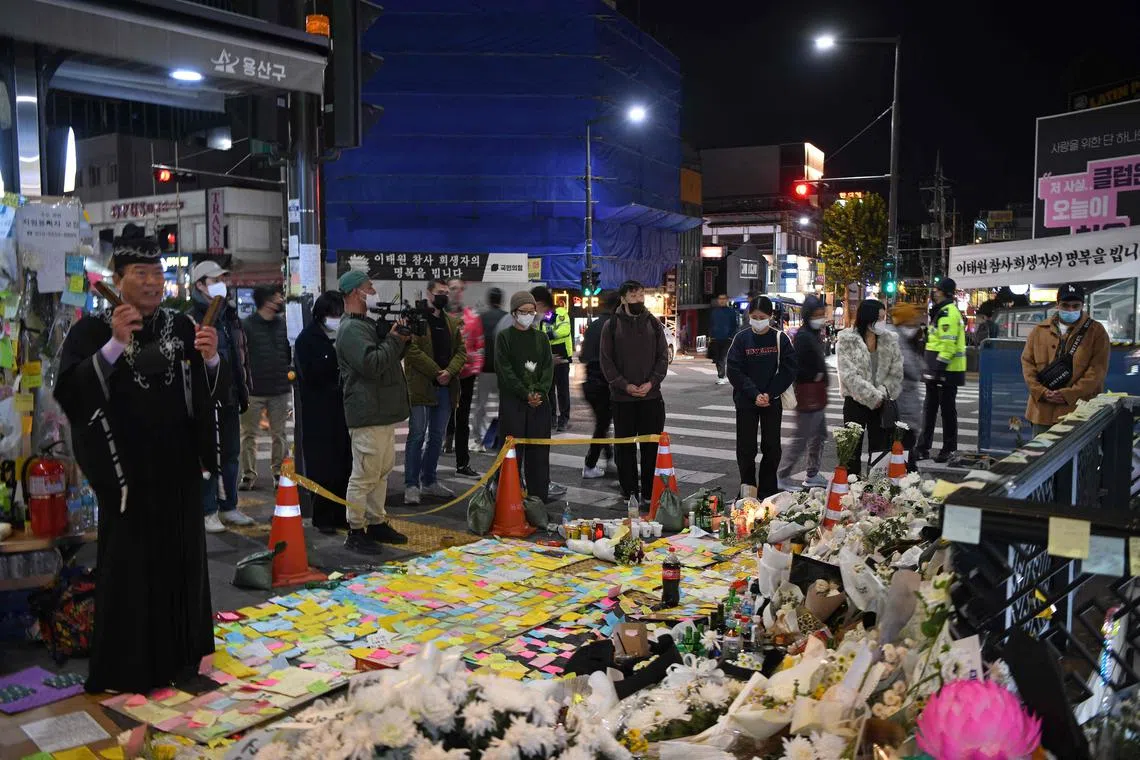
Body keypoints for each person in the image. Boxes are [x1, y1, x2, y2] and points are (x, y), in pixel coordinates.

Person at [55, 231, 226, 693]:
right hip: (126, 475)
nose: (152, 283)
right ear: (118, 279)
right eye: (141, 274)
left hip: (178, 471)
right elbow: (70, 394)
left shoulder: (184, 327)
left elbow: (212, 397)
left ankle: (182, 662)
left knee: (183, 566)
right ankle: (128, 671)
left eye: (158, 274)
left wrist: (210, 362)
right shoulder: (91, 331)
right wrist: (113, 345)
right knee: (130, 569)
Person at [335, 271, 410, 554]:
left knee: (381, 472)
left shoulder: (365, 324)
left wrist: (400, 341)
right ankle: (355, 529)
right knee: (365, 474)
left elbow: (386, 359)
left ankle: (376, 522)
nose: (374, 290)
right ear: (356, 292)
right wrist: (392, 341)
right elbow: (371, 364)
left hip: (381, 411)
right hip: (367, 411)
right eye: (369, 287)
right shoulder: (352, 330)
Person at [189, 261, 255, 534]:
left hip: (229, 395)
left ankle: (229, 506)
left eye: (222, 278)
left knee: (230, 454)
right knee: (208, 457)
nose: (221, 283)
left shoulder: (229, 316)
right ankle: (207, 510)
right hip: (204, 399)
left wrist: (243, 390)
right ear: (200, 285)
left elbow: (241, 357)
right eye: (214, 279)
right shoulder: (192, 317)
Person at [600, 280, 669, 506]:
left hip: (651, 397)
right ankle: (629, 491)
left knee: (651, 448)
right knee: (625, 448)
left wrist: (651, 383)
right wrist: (624, 385)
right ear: (623, 299)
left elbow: (662, 358)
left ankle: (649, 492)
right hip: (622, 399)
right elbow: (606, 362)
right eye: (633, 297)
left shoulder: (654, 324)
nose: (638, 300)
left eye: (641, 296)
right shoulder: (611, 326)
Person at [726, 296, 797, 499]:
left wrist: (769, 393)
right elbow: (734, 370)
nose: (758, 320)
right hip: (747, 401)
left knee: (772, 447)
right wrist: (754, 394)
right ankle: (747, 490)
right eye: (754, 316)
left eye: (762, 316)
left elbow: (788, 369)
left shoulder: (780, 339)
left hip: (771, 400)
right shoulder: (741, 339)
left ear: (770, 316)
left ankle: (767, 491)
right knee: (746, 448)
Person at [403, 278, 466, 504]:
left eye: (447, 292)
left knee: (437, 437)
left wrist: (449, 371)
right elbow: (411, 351)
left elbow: (461, 351)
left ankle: (429, 480)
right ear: (430, 294)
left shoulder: (451, 322)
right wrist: (437, 371)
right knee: (417, 434)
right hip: (422, 386)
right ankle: (411, 484)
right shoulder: (417, 320)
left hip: (446, 388)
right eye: (441, 292)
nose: (445, 296)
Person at [294, 291, 351, 534]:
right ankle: (323, 517)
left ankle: (341, 514)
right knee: (322, 466)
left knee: (343, 463)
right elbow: (310, 374)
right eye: (332, 314)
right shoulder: (308, 339)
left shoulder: (346, 334)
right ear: (321, 314)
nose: (336, 318)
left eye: (340, 313)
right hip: (318, 410)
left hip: (342, 409)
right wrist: (333, 358)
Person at [1021, 283, 1110, 435]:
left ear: (1082, 305)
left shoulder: (1096, 331)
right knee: (1042, 456)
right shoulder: (1039, 331)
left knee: (1075, 457)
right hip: (1042, 411)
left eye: (1075, 306)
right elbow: (1027, 364)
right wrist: (1041, 392)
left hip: (1078, 412)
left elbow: (1097, 371)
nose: (1070, 310)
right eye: (1065, 305)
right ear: (1057, 305)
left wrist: (1068, 394)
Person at [835, 299, 904, 476]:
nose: (883, 321)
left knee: (880, 452)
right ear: (868, 318)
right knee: (851, 452)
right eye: (880, 318)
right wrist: (873, 397)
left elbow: (896, 373)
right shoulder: (846, 339)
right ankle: (850, 494)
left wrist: (882, 394)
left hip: (882, 404)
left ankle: (876, 495)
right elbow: (848, 375)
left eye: (884, 317)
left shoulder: (890, 340)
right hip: (855, 402)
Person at [496, 291, 553, 502]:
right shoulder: (505, 338)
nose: (529, 315)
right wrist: (525, 393)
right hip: (514, 404)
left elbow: (547, 368)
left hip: (539, 404)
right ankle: (509, 499)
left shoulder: (541, 338)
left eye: (532, 311)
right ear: (514, 313)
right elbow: (505, 371)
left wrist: (539, 391)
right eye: (523, 311)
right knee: (512, 454)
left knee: (538, 455)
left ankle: (538, 500)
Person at [240, 285, 291, 489]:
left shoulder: (282, 325)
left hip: (278, 388)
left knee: (279, 434)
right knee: (249, 435)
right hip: (253, 390)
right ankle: (248, 475)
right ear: (266, 301)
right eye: (277, 297)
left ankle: (278, 472)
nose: (280, 300)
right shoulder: (247, 325)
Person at [777, 295, 828, 491]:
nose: (821, 318)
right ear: (808, 315)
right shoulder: (804, 336)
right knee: (802, 436)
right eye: (817, 314)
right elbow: (795, 366)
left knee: (819, 435)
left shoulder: (813, 334)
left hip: (817, 393)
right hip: (808, 393)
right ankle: (782, 474)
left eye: (822, 314)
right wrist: (815, 375)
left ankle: (812, 473)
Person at [916, 278, 966, 463]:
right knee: (929, 410)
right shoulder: (941, 311)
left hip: (946, 371)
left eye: (936, 290)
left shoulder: (948, 313)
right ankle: (922, 448)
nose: (934, 293)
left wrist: (937, 369)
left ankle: (948, 449)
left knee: (947, 412)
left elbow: (948, 345)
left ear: (944, 292)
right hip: (937, 370)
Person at [443, 279, 484, 476]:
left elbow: (479, 346)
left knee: (462, 420)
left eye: (460, 289)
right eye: (453, 289)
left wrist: (472, 365)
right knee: (439, 419)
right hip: (441, 375)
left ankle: (462, 463)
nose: (457, 292)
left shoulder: (472, 317)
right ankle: (429, 468)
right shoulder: (440, 316)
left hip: (465, 377)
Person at [580, 290, 619, 479]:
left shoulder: (593, 326)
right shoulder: (614, 325)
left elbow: (582, 356)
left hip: (590, 383)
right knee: (603, 425)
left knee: (602, 424)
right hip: (606, 384)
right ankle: (590, 464)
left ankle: (608, 460)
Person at [889, 302, 925, 471]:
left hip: (906, 401)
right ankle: (907, 478)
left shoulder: (906, 339)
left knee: (905, 445)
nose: (915, 326)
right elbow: (913, 370)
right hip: (901, 402)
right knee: (904, 444)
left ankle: (907, 475)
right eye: (912, 322)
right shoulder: (897, 339)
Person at [473, 287, 506, 452]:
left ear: (488, 300)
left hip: (485, 369)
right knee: (505, 406)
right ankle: (503, 437)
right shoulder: (506, 318)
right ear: (501, 300)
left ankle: (478, 440)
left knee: (480, 406)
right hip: (502, 371)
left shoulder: (481, 318)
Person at [535, 287, 573, 431]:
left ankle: (563, 419)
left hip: (562, 358)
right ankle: (551, 418)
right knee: (549, 390)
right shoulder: (541, 317)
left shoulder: (560, 313)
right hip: (547, 359)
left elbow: (565, 330)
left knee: (562, 391)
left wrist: (549, 336)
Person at [708, 293, 739, 385]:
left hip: (727, 339)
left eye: (723, 298)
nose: (721, 300)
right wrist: (711, 336)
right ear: (718, 300)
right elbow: (710, 325)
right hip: (715, 338)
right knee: (717, 358)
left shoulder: (731, 312)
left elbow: (735, 325)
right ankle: (722, 375)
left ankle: (721, 376)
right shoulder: (714, 312)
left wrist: (731, 336)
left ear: (727, 300)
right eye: (720, 298)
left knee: (723, 357)